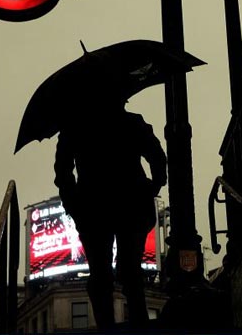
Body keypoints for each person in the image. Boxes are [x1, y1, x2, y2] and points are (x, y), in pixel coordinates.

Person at [54, 97, 167, 331]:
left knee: (101, 272)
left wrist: (72, 201)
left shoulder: (74, 127)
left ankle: (107, 326)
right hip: (130, 203)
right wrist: (153, 185)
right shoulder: (132, 122)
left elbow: (62, 170)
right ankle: (138, 322)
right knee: (130, 270)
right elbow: (157, 156)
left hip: (93, 207)